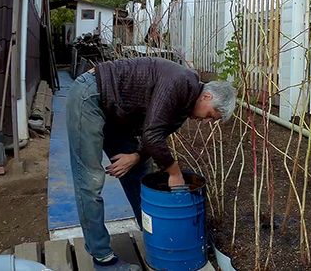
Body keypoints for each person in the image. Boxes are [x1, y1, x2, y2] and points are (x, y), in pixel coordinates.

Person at [66, 56, 236, 271]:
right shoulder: (181, 82)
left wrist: (135, 156)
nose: (208, 121)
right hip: (91, 95)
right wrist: (174, 173)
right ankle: (102, 258)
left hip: (117, 112)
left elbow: (156, 134)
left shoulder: (184, 108)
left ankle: (156, 235)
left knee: (139, 171)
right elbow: (152, 136)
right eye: (212, 115)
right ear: (207, 96)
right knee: (89, 181)